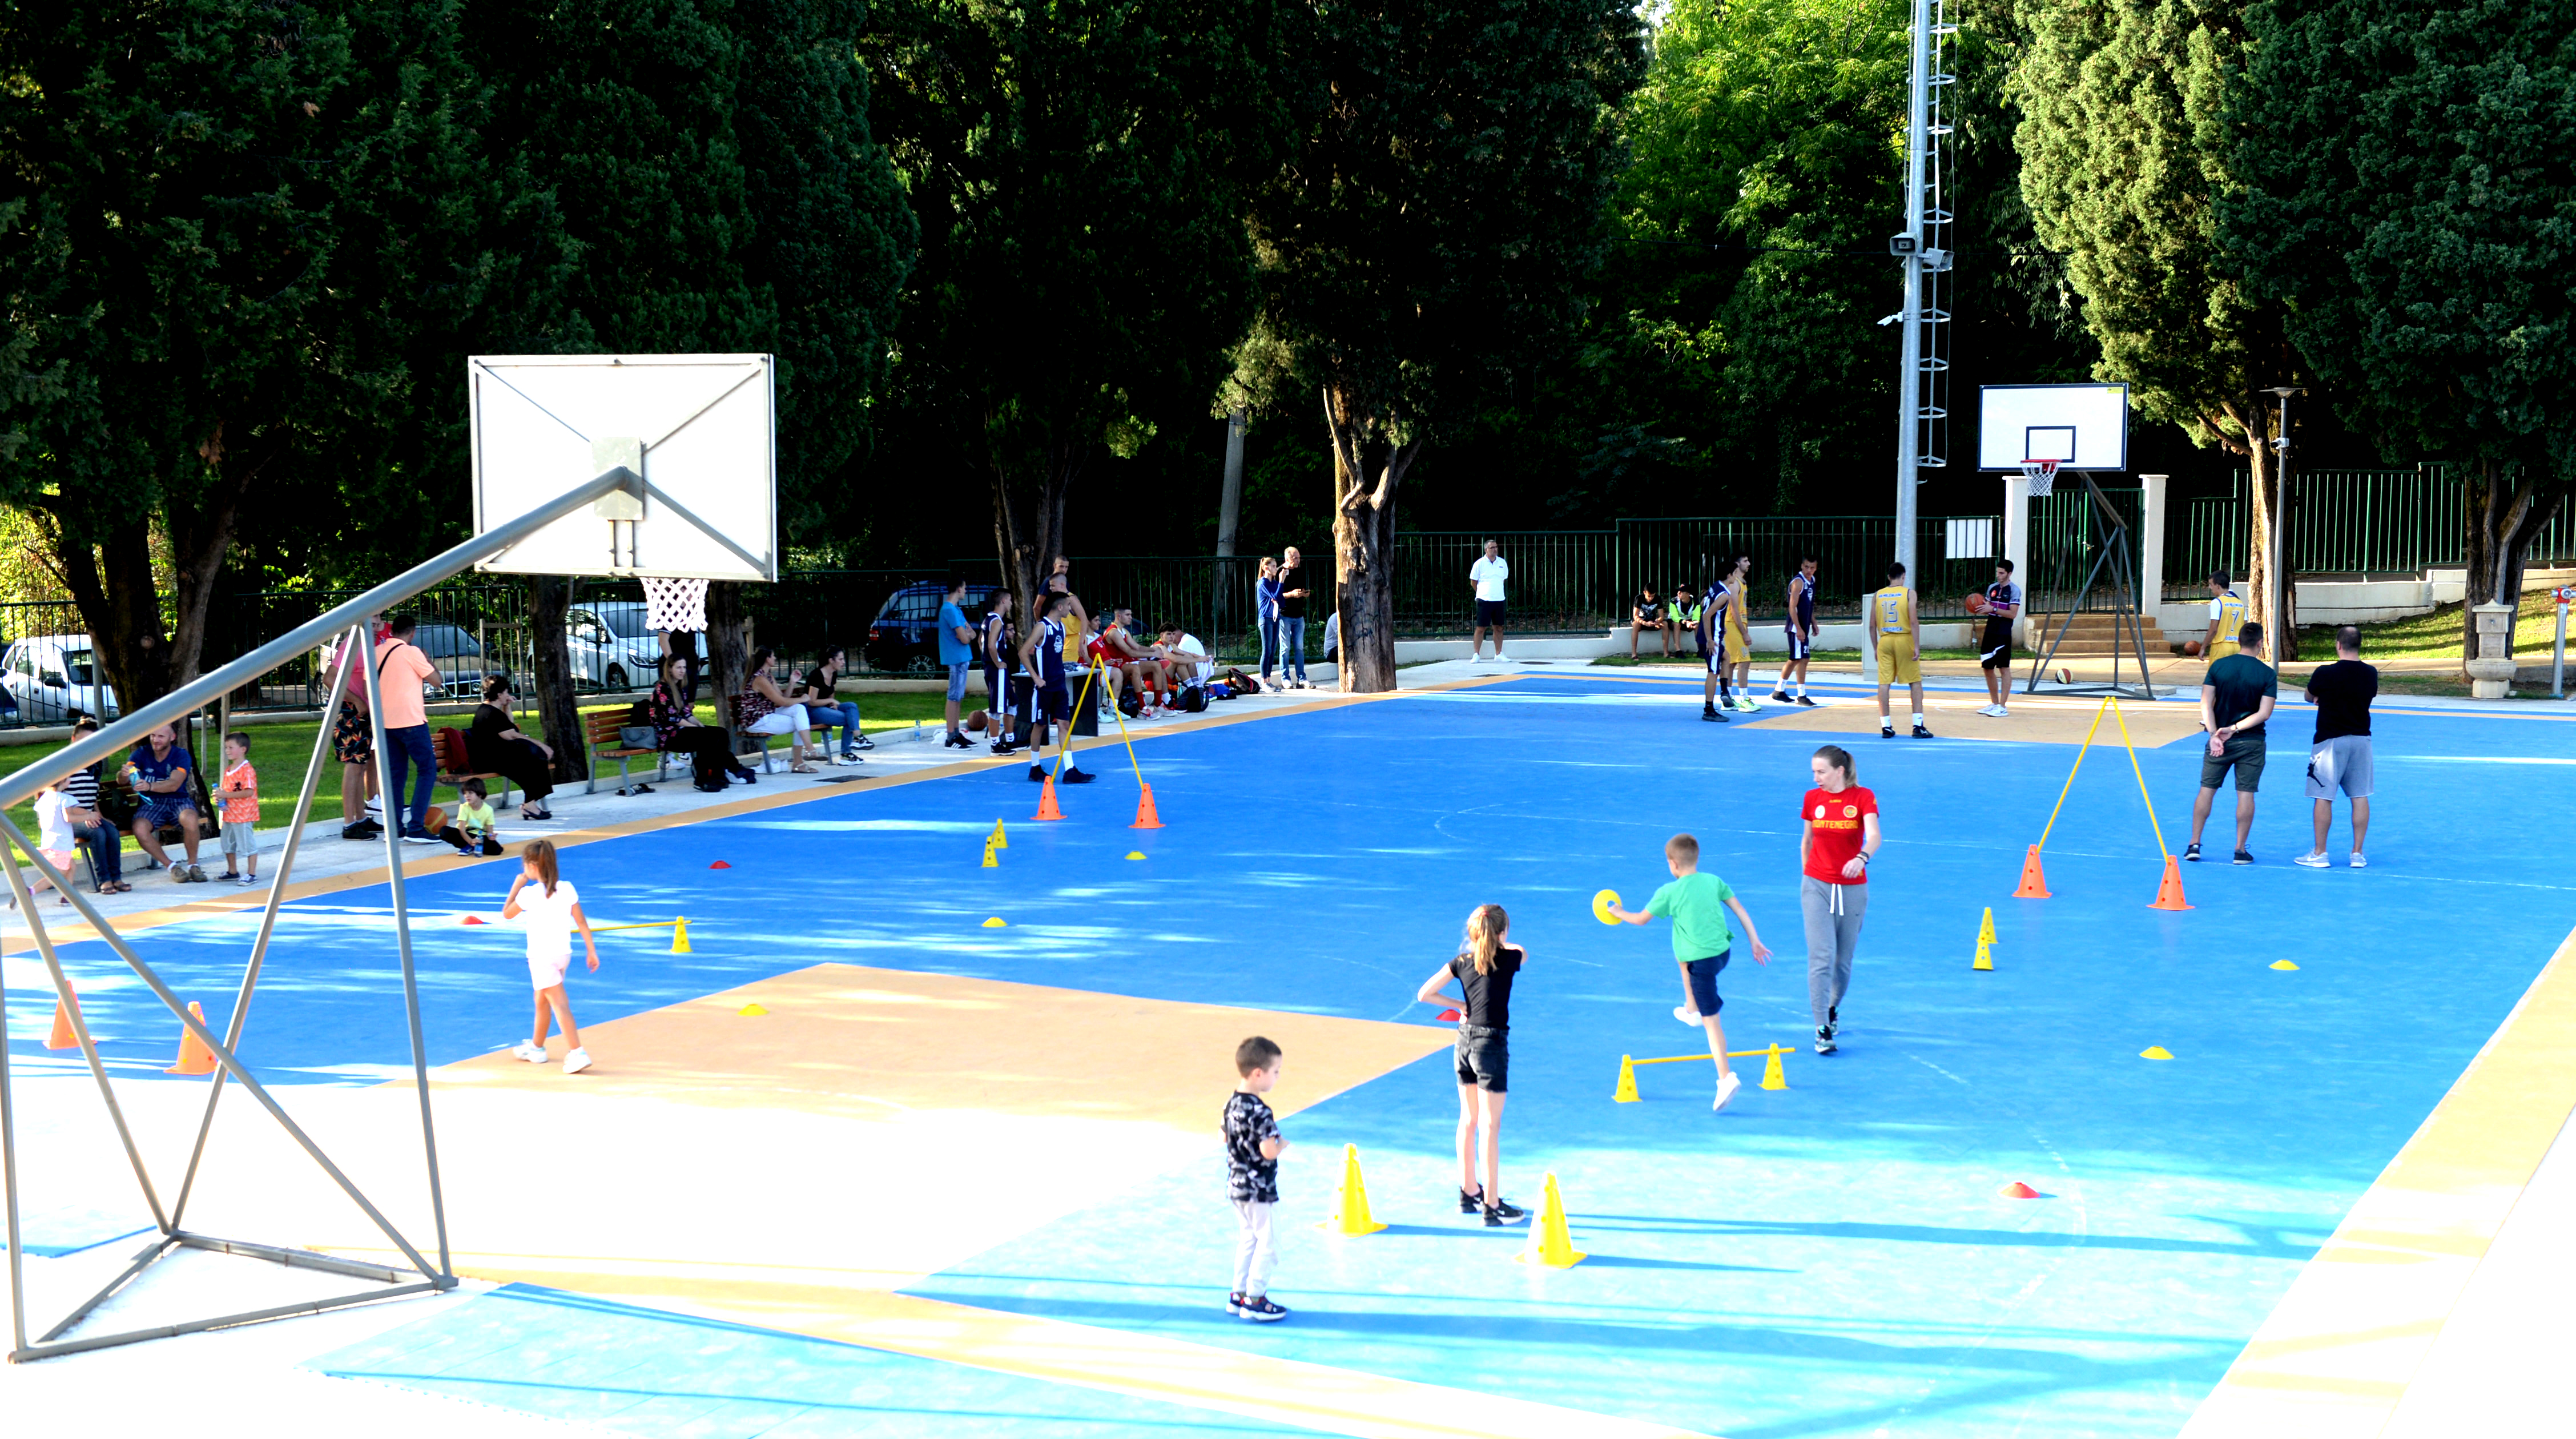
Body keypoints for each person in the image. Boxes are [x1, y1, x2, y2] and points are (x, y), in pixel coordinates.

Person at [1607, 834, 1773, 1112]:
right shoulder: (1713, 881)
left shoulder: (1668, 893)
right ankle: (1691, 1007)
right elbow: (1740, 909)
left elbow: (1639, 920)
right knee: (1681, 950)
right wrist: (1755, 941)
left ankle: (1725, 1078)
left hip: (1702, 964)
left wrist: (1617, 910)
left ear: (1673, 865)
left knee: (1713, 1022)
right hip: (1722, 954)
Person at [1414, 904, 1529, 1225]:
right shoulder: (1509, 958)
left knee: (1468, 1119)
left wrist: (1461, 1004)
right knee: (1491, 1127)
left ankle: (1468, 1191)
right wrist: (1500, 941)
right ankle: (1491, 1205)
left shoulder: (1460, 963)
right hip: (1490, 1045)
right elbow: (1520, 950)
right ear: (1503, 931)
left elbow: (1425, 994)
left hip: (1463, 1041)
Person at [1799, 745, 1879, 1054]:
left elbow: (1874, 835)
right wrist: (1808, 878)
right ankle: (1821, 1028)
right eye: (1814, 772)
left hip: (1852, 887)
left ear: (1840, 771)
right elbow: (1806, 841)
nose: (1816, 778)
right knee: (1820, 958)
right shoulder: (1812, 799)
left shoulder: (1862, 797)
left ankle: (1833, 1008)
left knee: (1842, 963)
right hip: (1816, 885)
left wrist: (1862, 857)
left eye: (1821, 772)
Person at [502, 838, 598, 1075]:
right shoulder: (567, 888)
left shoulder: (528, 894)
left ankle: (577, 1052)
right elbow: (582, 922)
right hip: (563, 954)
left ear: (533, 866)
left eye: (525, 865)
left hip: (541, 957)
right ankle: (536, 1047)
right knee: (541, 1000)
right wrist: (591, 950)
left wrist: (516, 886)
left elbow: (507, 913)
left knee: (559, 1004)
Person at [2186, 621, 2278, 865]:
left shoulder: (2219, 666)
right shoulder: (2267, 674)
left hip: (2218, 741)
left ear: (2238, 641)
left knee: (2207, 789)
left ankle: (2194, 843)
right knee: (2246, 794)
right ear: (2260, 644)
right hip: (2251, 741)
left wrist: (2215, 734)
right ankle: (2239, 849)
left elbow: (2206, 703)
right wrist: (2234, 729)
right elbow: (2264, 713)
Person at [1221, 1036, 1290, 1323]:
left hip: (1236, 1185)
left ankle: (1238, 1294)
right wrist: (1281, 1144)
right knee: (1269, 1243)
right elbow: (1268, 1151)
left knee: (1248, 1239)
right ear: (1258, 1073)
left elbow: (1225, 1137)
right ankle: (1256, 1298)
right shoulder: (1261, 1111)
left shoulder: (1231, 1104)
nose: (1277, 1077)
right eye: (1275, 1072)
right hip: (1259, 1190)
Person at [2298, 625, 2377, 870]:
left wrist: (2321, 698)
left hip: (2330, 740)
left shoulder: (2324, 673)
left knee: (2323, 795)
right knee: (2360, 795)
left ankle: (2320, 852)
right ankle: (2358, 853)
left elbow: (2308, 696)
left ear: (2338, 645)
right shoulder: (2371, 673)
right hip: (2361, 740)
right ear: (2359, 645)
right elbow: (2366, 696)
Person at [373, 614, 445, 843]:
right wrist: (427, 660)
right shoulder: (412, 652)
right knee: (427, 770)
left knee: (396, 776)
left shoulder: (376, 652)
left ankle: (394, 828)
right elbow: (436, 681)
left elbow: (369, 685)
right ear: (412, 633)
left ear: (391, 630)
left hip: (385, 724)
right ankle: (416, 826)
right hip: (411, 721)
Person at [1015, 592, 1094, 784]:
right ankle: (1035, 768)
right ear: (1059, 607)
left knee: (1064, 725)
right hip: (1045, 687)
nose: (1070, 609)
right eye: (1068, 605)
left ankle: (1070, 770)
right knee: (1040, 725)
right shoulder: (1042, 627)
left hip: (1060, 684)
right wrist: (1036, 678)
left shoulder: (1061, 627)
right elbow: (1023, 652)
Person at [651, 655, 748, 791]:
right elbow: (674, 719)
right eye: (678, 667)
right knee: (705, 737)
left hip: (681, 731)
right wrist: (698, 730)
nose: (682, 671)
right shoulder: (662, 689)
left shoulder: (680, 687)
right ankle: (702, 778)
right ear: (669, 669)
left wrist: (699, 724)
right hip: (668, 735)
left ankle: (717, 773)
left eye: (684, 667)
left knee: (721, 733)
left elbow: (686, 713)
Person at [124, 723, 207, 881]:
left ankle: (193, 865)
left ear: (172, 737)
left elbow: (174, 784)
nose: (155, 740)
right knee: (140, 828)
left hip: (178, 800)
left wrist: (149, 786)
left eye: (161, 736)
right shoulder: (141, 753)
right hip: (151, 803)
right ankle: (173, 867)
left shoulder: (181, 755)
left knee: (190, 818)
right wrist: (123, 775)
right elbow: (123, 779)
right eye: (153, 736)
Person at [468, 679, 558, 819]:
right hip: (490, 760)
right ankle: (529, 805)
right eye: (506, 692)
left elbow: (509, 727)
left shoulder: (488, 710)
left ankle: (530, 804)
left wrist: (507, 705)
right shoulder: (491, 713)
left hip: (491, 757)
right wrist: (541, 745)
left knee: (534, 761)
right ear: (499, 695)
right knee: (534, 761)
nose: (508, 694)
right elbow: (511, 735)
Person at [327, 621, 384, 840]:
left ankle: (360, 818)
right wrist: (356, 700)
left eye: (380, 617)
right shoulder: (352, 644)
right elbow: (330, 679)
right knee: (353, 768)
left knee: (360, 767)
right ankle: (349, 823)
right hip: (350, 712)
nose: (378, 622)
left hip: (363, 712)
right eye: (373, 617)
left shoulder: (372, 644)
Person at [61, 718, 128, 893]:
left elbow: (92, 796)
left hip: (88, 816)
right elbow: (59, 801)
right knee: (97, 832)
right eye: (83, 742)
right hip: (68, 818)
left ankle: (116, 877)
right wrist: (86, 817)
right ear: (74, 740)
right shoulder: (63, 764)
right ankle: (104, 880)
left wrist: (99, 815)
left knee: (111, 831)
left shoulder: (95, 764)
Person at [1871, 562, 1931, 738]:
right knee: (1915, 681)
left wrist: (1876, 647)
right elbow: (1913, 621)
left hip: (1885, 640)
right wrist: (1917, 646)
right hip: (1904, 638)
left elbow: (1871, 625)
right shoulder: (1909, 593)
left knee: (1884, 683)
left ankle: (1886, 726)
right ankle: (1918, 725)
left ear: (1889, 577)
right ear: (1903, 576)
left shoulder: (1878, 595)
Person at [794, 648, 868, 760]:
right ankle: (847, 753)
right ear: (831, 660)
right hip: (811, 711)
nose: (844, 662)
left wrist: (833, 705)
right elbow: (812, 701)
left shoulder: (833, 674)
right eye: (841, 659)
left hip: (824, 708)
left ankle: (857, 738)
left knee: (852, 706)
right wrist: (830, 701)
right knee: (848, 719)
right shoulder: (817, 675)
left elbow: (830, 694)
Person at [1977, 560, 2023, 717]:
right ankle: (1994, 703)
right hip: (1990, 630)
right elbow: (1988, 608)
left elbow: (2012, 614)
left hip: (2003, 632)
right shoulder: (1992, 588)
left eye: (2002, 573)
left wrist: (1994, 609)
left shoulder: (2014, 590)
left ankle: (2003, 706)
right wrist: (1979, 607)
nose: (1998, 576)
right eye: (1997, 572)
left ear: (2009, 574)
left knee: (2003, 668)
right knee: (1987, 667)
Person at [1772, 555, 1821, 706]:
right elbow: (1792, 607)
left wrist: (1813, 623)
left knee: (1799, 658)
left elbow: (1809, 605)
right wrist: (1799, 628)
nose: (1809, 570)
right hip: (1796, 627)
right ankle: (1801, 695)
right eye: (1806, 567)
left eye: (1812, 568)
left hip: (1804, 626)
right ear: (1801, 566)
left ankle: (1779, 691)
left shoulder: (1812, 581)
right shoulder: (1798, 582)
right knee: (1799, 658)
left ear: (1816, 569)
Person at [214, 731, 260, 886]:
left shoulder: (247, 770)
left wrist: (226, 794)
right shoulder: (229, 770)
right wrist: (221, 797)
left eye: (231, 747)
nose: (227, 750)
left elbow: (249, 791)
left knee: (247, 844)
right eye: (226, 747)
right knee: (227, 843)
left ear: (243, 749)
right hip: (230, 814)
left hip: (244, 815)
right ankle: (232, 871)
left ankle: (251, 873)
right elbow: (229, 790)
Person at [937, 577, 977, 748]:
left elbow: (972, 634)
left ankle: (956, 733)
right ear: (959, 589)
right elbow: (965, 637)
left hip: (962, 658)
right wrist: (966, 635)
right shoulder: (949, 610)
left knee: (958, 697)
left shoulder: (956, 610)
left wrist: (967, 635)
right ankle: (950, 735)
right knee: (953, 697)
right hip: (956, 658)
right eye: (965, 588)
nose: (966, 591)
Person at [22, 777, 73, 905]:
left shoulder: (43, 799)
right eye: (69, 778)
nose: (71, 780)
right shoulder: (65, 799)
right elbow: (68, 817)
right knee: (57, 875)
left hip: (49, 841)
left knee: (72, 866)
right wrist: (88, 816)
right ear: (62, 781)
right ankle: (29, 891)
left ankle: (68, 897)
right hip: (61, 843)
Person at [983, 592, 1023, 756]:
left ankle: (1010, 739)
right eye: (1011, 600)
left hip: (995, 668)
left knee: (1012, 703)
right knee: (997, 707)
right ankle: (995, 745)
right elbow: (991, 645)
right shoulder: (998, 621)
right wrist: (997, 662)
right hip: (997, 668)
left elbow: (981, 642)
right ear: (1004, 601)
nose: (1012, 603)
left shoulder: (989, 619)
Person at [1722, 554, 1758, 711]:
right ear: (1737, 564)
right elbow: (1734, 610)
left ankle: (1728, 700)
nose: (1749, 563)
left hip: (1735, 625)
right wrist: (1744, 633)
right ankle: (1744, 699)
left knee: (1731, 663)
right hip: (1732, 626)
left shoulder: (1741, 583)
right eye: (1745, 561)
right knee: (1745, 661)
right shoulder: (1735, 584)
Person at [1700, 569, 1737, 722]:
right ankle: (1709, 709)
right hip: (1712, 638)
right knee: (1713, 672)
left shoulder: (1715, 587)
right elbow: (1707, 615)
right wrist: (1710, 639)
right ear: (1729, 575)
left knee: (1726, 657)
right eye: (1734, 573)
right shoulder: (1724, 595)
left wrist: (1720, 625)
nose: (1735, 577)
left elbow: (1703, 604)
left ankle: (1724, 692)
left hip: (1709, 634)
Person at [1468, 539, 1510, 662]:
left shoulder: (1502, 563)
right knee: (1481, 627)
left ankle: (1499, 654)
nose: (1495, 550)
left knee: (1499, 627)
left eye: (1496, 547)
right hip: (1484, 600)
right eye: (1492, 548)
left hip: (1499, 600)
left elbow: (1503, 579)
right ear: (1486, 550)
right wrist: (1481, 592)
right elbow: (1473, 582)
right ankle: (1476, 654)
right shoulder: (1479, 564)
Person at [440, 778, 504, 855]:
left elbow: (489, 831)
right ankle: (470, 846)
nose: (467, 796)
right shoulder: (464, 807)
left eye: (470, 793)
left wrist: (491, 836)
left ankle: (472, 847)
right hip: (466, 834)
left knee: (497, 851)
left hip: (481, 836)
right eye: (465, 793)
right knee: (444, 831)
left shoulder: (488, 810)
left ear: (480, 794)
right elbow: (462, 830)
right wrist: (471, 841)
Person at [1277, 546, 1312, 688]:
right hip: (1285, 614)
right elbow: (1277, 596)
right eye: (1295, 558)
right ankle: (1285, 678)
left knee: (1300, 648)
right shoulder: (1280, 572)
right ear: (1287, 559)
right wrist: (1292, 594)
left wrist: (1304, 593)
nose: (1298, 561)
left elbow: (1302, 588)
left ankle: (1301, 678)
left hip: (1299, 614)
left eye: (1299, 558)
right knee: (1285, 648)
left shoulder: (1300, 570)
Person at [2200, 570, 2248, 662]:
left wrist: (2203, 647)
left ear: (2218, 586)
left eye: (2211, 584)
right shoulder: (2240, 603)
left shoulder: (2217, 602)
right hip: (2237, 647)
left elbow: (2213, 629)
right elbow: (2245, 627)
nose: (2210, 587)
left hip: (2221, 647)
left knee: (2218, 676)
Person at [1254, 557, 1285, 689]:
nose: (1275, 569)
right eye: (1273, 566)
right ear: (1266, 568)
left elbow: (1281, 600)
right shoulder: (1263, 583)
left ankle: (1269, 679)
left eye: (1276, 566)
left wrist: (1278, 594)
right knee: (1266, 650)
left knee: (1272, 650)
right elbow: (1276, 596)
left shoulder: (1273, 583)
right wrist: (1282, 581)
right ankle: (1264, 681)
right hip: (1266, 619)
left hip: (1275, 617)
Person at [1630, 583, 1668, 659]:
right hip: (1641, 622)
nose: (1651, 598)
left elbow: (1661, 616)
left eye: (1653, 596)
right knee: (1636, 625)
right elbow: (1635, 616)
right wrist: (1645, 623)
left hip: (1652, 621)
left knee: (1665, 624)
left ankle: (1666, 653)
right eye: (1649, 596)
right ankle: (1634, 654)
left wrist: (1658, 621)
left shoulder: (1658, 598)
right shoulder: (1639, 598)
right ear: (1644, 593)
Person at [1671, 581, 1705, 662]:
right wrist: (1686, 622)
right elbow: (1674, 616)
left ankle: (1700, 651)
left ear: (1688, 594)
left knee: (1698, 625)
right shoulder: (1674, 601)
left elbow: (1697, 616)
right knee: (1676, 624)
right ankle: (1678, 651)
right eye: (1678, 591)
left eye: (1681, 592)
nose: (1678, 593)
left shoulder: (1695, 602)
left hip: (1689, 622)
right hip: (1678, 622)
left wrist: (1695, 622)